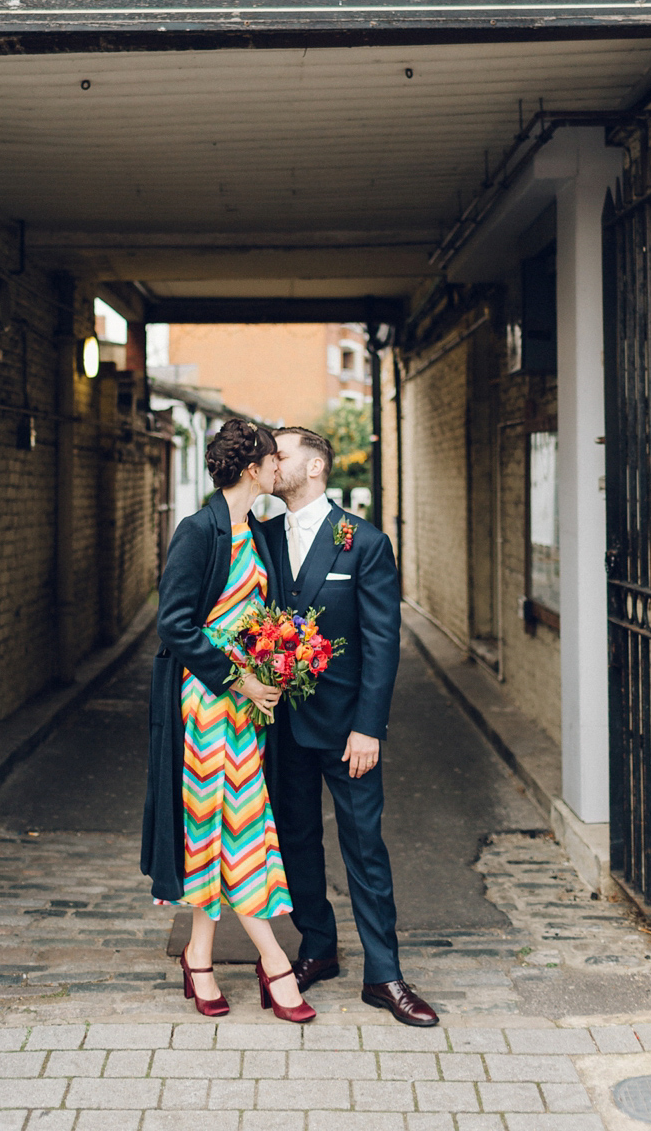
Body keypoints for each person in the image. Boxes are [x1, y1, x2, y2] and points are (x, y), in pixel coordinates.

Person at [262, 426, 439, 1028]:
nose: (270, 463)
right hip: (279, 725)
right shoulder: (257, 536)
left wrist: (369, 728)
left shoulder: (361, 542)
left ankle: (384, 975)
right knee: (296, 840)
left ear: (314, 467)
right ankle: (317, 946)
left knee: (364, 846)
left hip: (347, 732)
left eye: (279, 455)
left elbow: (382, 643)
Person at [141, 418, 315, 1023]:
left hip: (245, 707)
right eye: (272, 462)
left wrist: (273, 669)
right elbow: (174, 622)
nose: (277, 470)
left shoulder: (256, 532)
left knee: (217, 829)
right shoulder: (199, 531)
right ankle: (274, 963)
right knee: (242, 828)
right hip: (205, 703)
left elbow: (265, 615)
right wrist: (239, 676)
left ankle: (199, 955)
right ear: (251, 469)